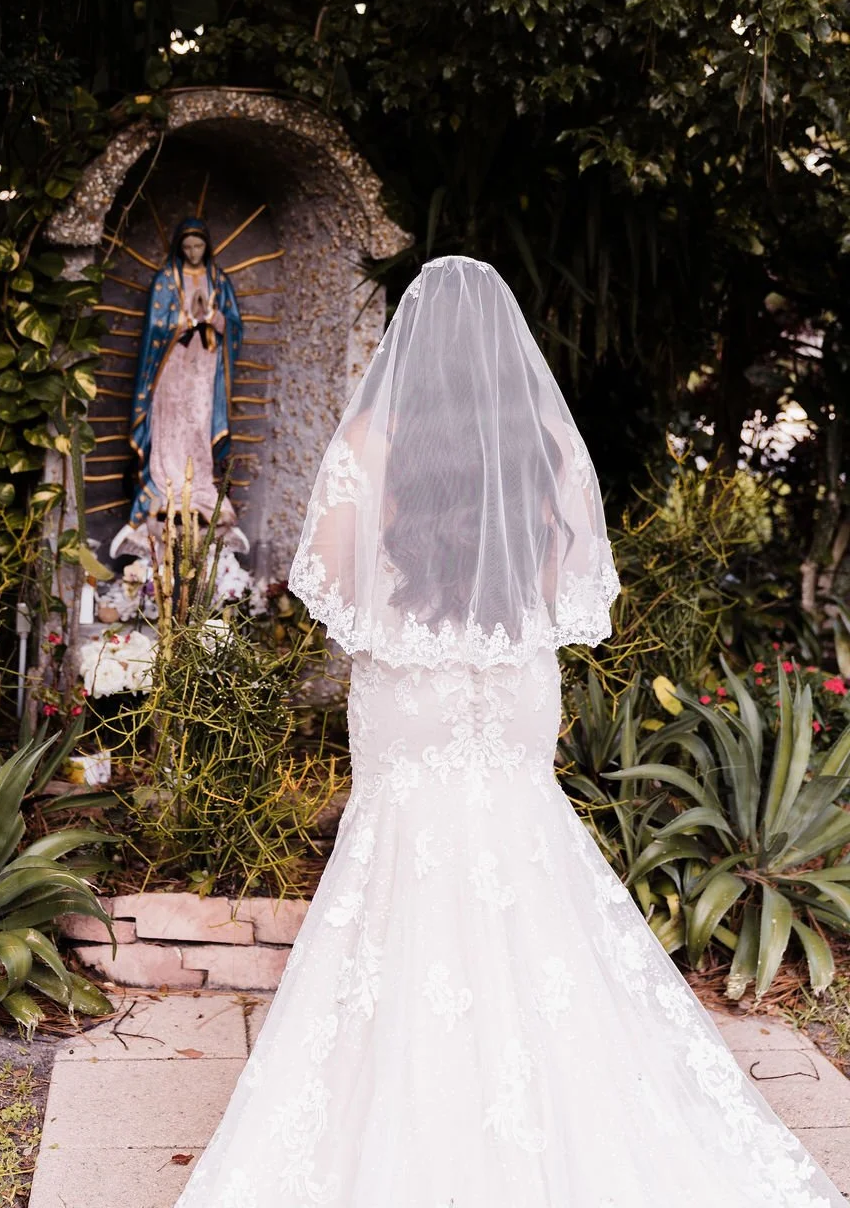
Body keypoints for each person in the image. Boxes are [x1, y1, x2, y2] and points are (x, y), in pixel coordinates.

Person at [174, 256, 844, 1208]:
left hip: (410, 692)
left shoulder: (372, 437)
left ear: (413, 349)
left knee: (402, 861)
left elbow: (331, 589)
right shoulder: (545, 448)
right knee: (522, 848)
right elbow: (568, 596)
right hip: (509, 687)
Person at [114, 217, 244, 559]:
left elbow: (233, 324)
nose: (193, 253)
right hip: (172, 366)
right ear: (178, 248)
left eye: (198, 246)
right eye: (186, 248)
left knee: (198, 426)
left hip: (204, 367)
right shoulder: (166, 279)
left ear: (207, 245)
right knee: (169, 422)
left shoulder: (219, 279)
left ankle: (198, 486)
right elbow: (156, 324)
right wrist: (187, 320)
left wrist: (214, 318)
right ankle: (166, 485)